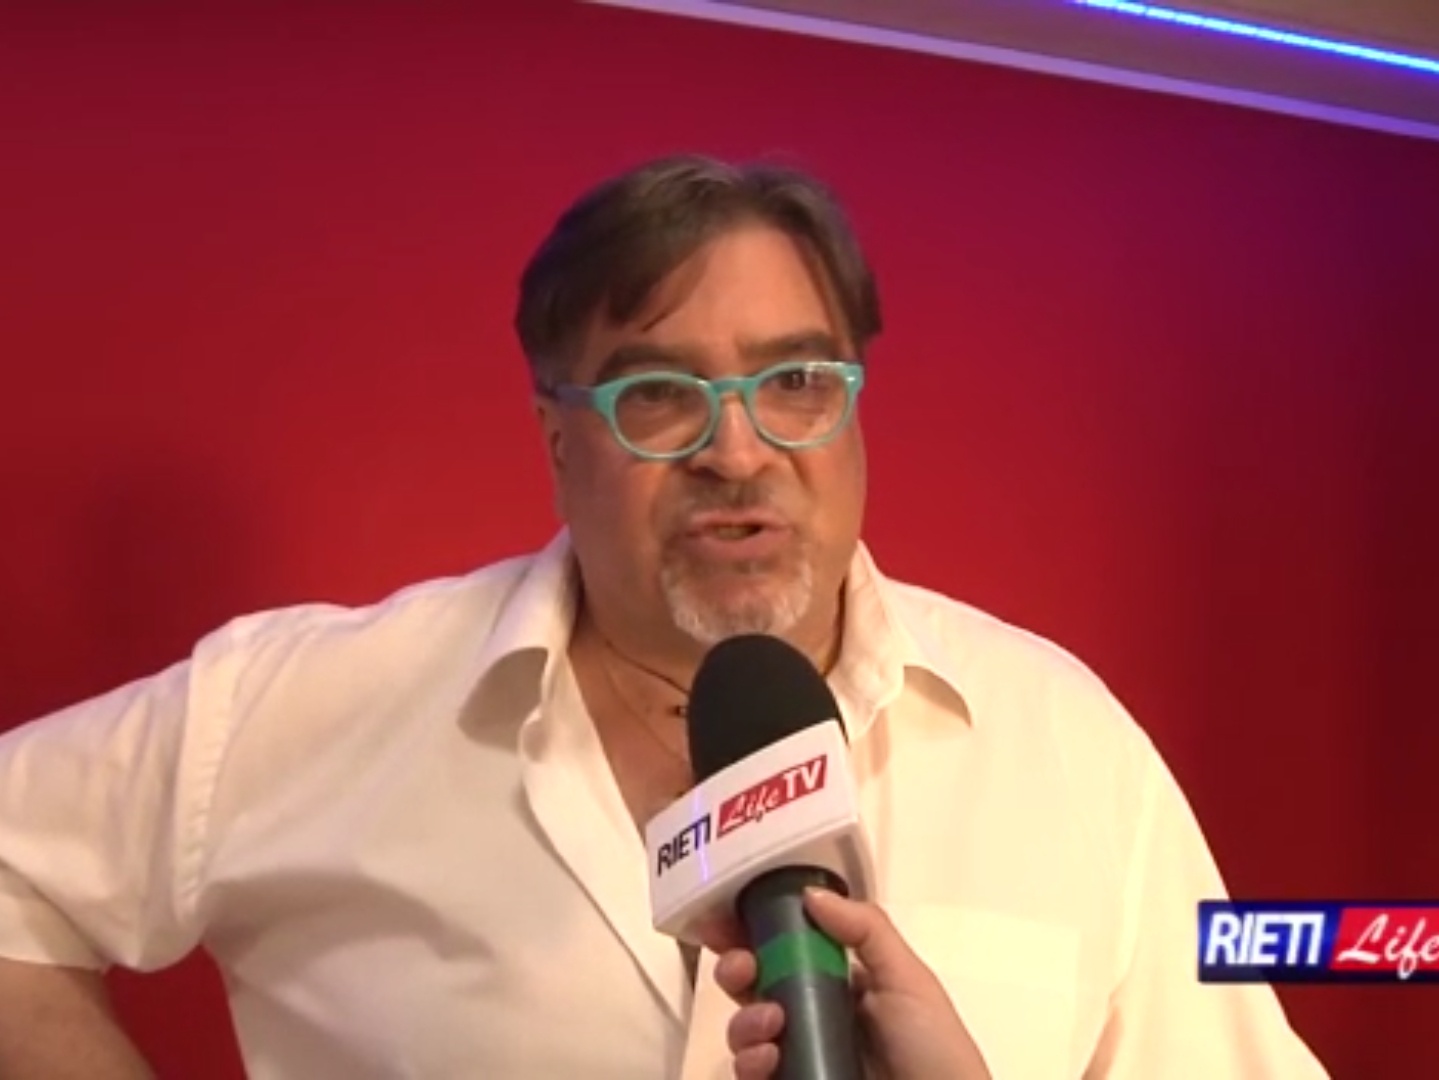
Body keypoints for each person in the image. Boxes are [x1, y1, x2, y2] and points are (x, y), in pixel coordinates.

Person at [0, 153, 1329, 1079]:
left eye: (795, 382)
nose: (738, 453)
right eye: (656, 394)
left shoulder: (1067, 744)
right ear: (556, 436)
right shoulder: (311, 703)